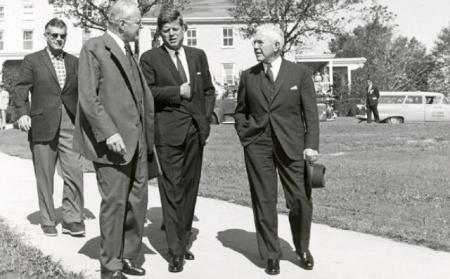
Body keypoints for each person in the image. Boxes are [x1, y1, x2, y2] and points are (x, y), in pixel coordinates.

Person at [73, 1, 156, 278]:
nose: (140, 28)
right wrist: (109, 132)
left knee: (137, 202)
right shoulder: (94, 47)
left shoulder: (129, 50)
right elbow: (88, 97)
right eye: (137, 23)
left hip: (138, 140)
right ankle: (110, 266)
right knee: (115, 203)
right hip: (113, 144)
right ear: (122, 23)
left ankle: (128, 256)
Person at [233, 23, 320, 275]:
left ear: (277, 46)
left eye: (260, 42)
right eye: (254, 43)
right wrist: (245, 135)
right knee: (264, 200)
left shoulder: (300, 74)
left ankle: (302, 248)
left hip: (292, 146)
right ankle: (271, 254)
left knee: (300, 200)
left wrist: (311, 145)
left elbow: (310, 115)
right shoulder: (248, 76)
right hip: (257, 145)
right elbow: (240, 111)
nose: (255, 46)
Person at [139, 8, 215, 273]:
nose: (171, 34)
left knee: (189, 189)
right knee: (171, 191)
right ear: (160, 32)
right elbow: (146, 93)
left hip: (195, 133)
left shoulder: (197, 56)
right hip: (167, 134)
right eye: (166, 30)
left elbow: (208, 91)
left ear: (185, 29)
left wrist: (204, 122)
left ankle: (183, 242)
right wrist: (176, 92)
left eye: (175, 29)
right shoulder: (149, 58)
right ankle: (175, 252)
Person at [14, 18, 84, 237]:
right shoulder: (32, 60)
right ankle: (48, 219)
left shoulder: (74, 62)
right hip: (42, 124)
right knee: (45, 176)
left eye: (62, 35)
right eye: (54, 35)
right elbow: (20, 90)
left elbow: (84, 93)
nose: (58, 39)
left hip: (70, 125)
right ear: (45, 35)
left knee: (74, 172)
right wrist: (23, 114)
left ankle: (72, 219)